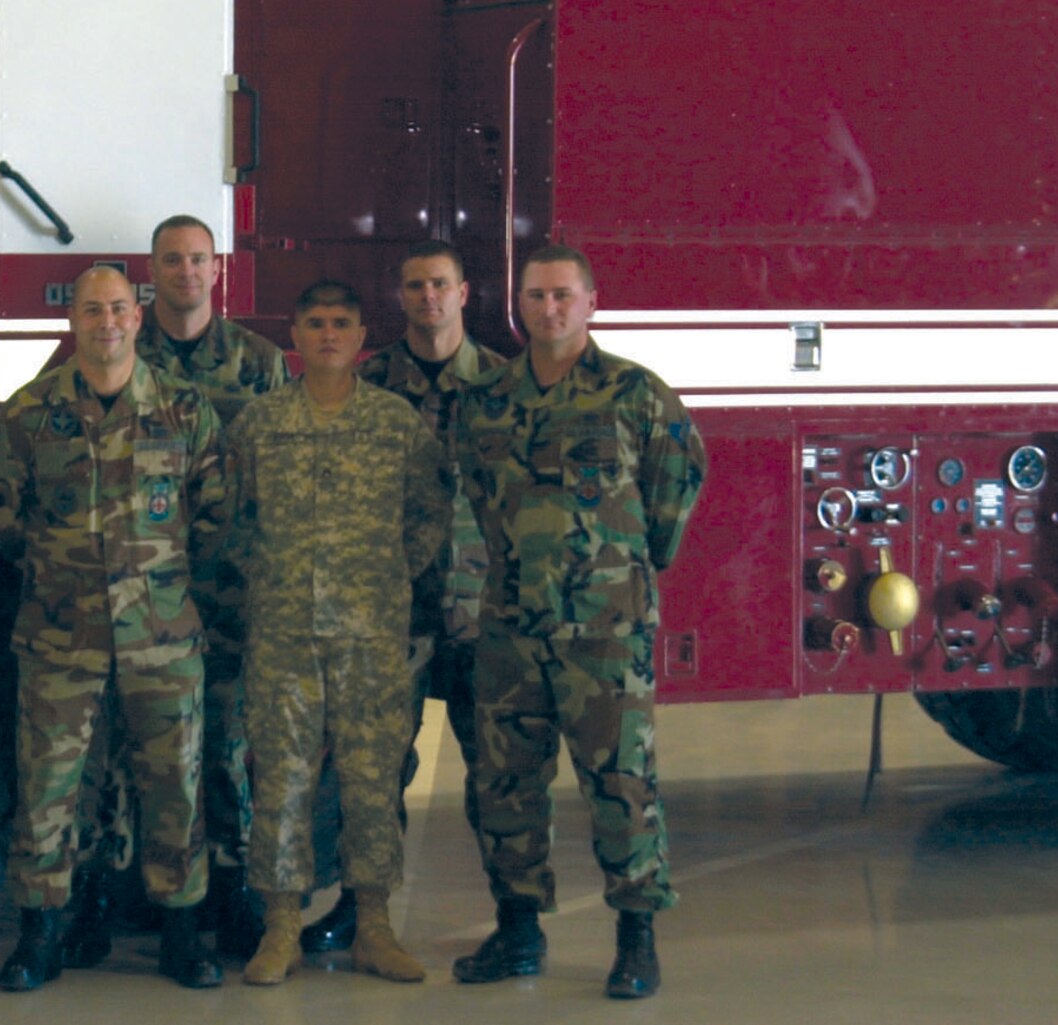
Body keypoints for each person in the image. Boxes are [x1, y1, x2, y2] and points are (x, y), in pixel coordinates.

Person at [450, 244, 706, 1000]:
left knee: (620, 784)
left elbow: (676, 485)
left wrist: (623, 570)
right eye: (535, 296)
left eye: (562, 295)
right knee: (504, 783)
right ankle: (519, 927)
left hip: (604, 634)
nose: (548, 308)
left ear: (591, 302)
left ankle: (636, 937)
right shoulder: (488, 400)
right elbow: (477, 495)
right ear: (518, 304)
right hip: (511, 628)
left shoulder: (635, 394)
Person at [0, 265, 227, 992]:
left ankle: (182, 931)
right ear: (73, 322)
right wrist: (64, 576)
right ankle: (42, 931)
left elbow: (214, 516)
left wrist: (157, 584)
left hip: (163, 637)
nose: (106, 321)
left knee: (174, 785)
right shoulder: (30, 414)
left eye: (118, 307)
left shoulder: (183, 409)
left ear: (137, 317)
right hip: (61, 636)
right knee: (50, 788)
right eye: (92, 309)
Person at [224, 279, 450, 987]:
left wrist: (384, 578)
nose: (328, 334)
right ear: (295, 334)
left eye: (341, 323)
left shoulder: (396, 423)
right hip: (283, 632)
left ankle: (373, 925)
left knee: (371, 779)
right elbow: (230, 520)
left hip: (370, 633)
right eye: (315, 322)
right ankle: (281, 926)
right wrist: (268, 577)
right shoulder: (259, 425)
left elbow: (428, 515)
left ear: (360, 338)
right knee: (282, 779)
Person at [304, 240, 505, 952]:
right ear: (400, 295)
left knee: (499, 776)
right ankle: (363, 910)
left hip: (483, 614)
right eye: (416, 285)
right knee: (374, 772)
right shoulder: (370, 384)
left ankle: (517, 923)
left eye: (440, 284)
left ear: (464, 291)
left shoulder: (502, 386)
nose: (429, 297)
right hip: (390, 616)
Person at [131, 214, 287, 956]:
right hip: (141, 592)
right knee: (146, 749)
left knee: (224, 745)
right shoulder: (116, 351)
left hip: (230, 587)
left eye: (199, 259)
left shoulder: (259, 362)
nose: (186, 272)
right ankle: (147, 891)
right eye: (172, 260)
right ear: (151, 270)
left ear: (217, 270)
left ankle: (233, 886)